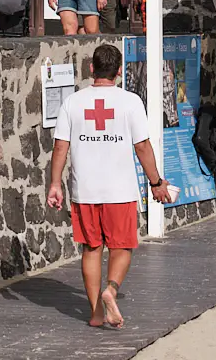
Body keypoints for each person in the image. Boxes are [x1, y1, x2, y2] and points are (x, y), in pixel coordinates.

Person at [47, 43, 174, 329]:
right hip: (120, 191)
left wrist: (55, 184)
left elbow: (60, 147)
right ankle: (111, 289)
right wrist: (156, 182)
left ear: (91, 69)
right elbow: (141, 146)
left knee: (91, 250)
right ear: (119, 72)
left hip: (85, 191)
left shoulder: (73, 102)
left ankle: (94, 313)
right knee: (122, 247)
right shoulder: (130, 102)